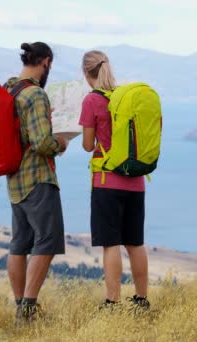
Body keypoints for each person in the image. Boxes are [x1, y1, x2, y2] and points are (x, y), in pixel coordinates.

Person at [78, 50, 150, 310]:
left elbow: (88, 145)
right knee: (135, 243)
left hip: (107, 182)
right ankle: (142, 300)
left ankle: (112, 303)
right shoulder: (125, 97)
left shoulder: (92, 101)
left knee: (111, 244)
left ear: (87, 74)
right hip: (136, 181)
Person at [5, 42, 68, 324]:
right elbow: (42, 143)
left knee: (19, 244)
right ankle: (28, 310)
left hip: (15, 180)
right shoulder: (36, 95)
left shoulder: (9, 90)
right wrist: (61, 143)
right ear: (45, 63)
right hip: (38, 179)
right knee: (48, 242)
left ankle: (20, 306)